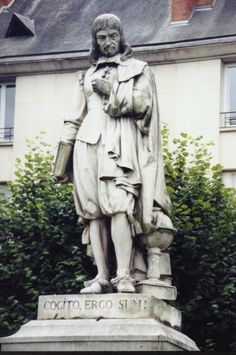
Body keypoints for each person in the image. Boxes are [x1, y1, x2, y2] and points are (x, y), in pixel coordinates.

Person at [54, 13, 172, 294]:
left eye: (113, 36)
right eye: (102, 37)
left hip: (119, 144)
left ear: (121, 38)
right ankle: (101, 276)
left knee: (119, 206)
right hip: (86, 144)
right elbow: (73, 118)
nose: (108, 42)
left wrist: (112, 91)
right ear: (95, 40)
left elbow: (144, 105)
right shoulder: (86, 75)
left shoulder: (138, 69)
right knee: (92, 212)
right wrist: (61, 159)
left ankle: (124, 275)